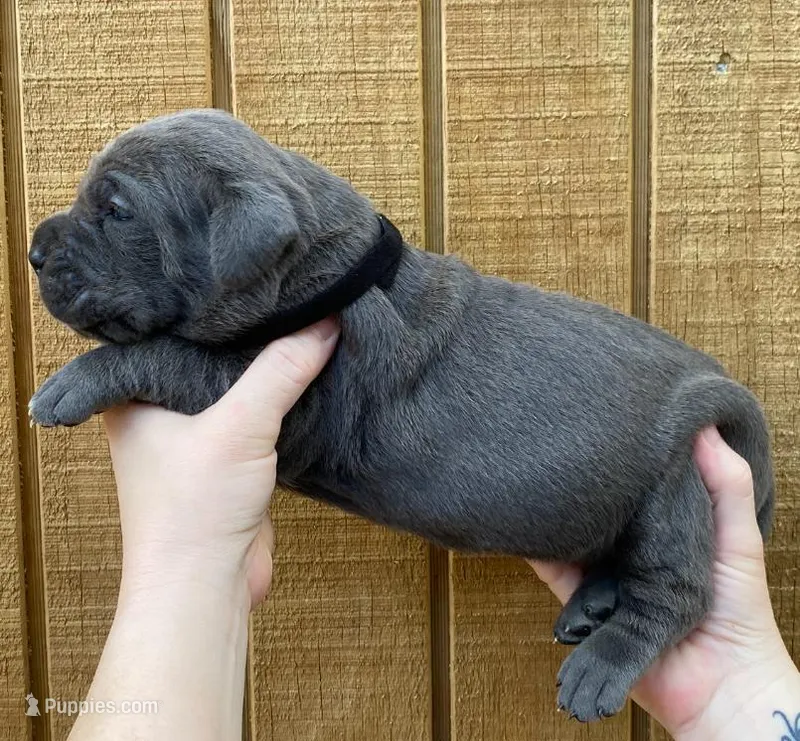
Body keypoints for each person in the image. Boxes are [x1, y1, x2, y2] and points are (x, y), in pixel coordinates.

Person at [63, 318, 799, 741]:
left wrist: (713, 670)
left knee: (677, 450)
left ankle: (648, 607)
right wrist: (735, 698)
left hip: (652, 479)